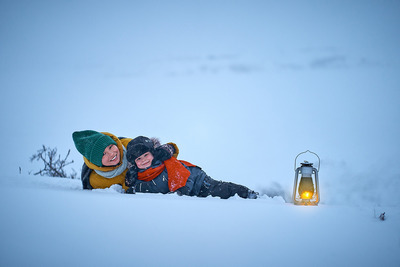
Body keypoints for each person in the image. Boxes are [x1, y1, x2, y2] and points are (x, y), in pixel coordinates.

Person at [125, 136, 259, 199]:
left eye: (145, 155)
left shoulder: (165, 163)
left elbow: (182, 175)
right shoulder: (139, 176)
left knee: (219, 190)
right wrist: (132, 187)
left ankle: (247, 193)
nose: (143, 160)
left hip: (197, 181)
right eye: (138, 159)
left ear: (152, 154)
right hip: (188, 190)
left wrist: (182, 191)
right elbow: (148, 189)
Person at [72, 130, 178, 191]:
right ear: (96, 162)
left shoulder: (128, 145)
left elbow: (153, 155)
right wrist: (128, 183)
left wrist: (168, 149)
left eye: (110, 147)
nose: (112, 154)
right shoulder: (96, 180)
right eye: (103, 154)